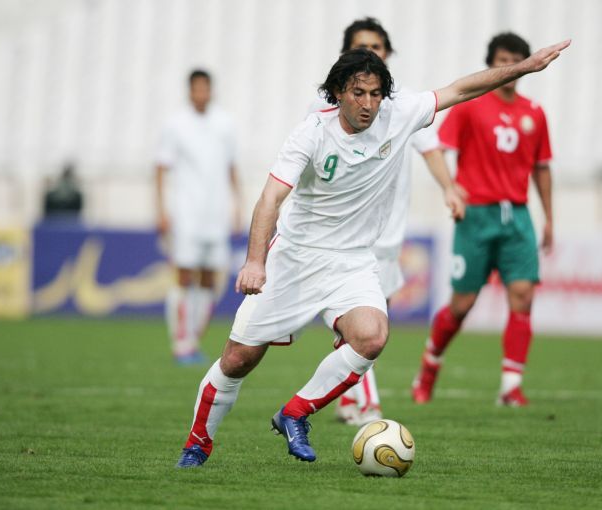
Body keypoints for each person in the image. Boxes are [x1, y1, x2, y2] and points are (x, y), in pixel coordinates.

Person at [176, 38, 570, 468]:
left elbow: (460, 89)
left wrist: (524, 68)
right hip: (295, 258)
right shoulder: (312, 132)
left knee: (372, 336)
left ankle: (295, 413)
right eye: (358, 93)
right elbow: (270, 198)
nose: (368, 104)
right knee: (238, 359)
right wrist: (255, 261)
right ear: (338, 92)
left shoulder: (398, 115)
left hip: (352, 261)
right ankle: (197, 445)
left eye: (376, 94)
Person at [310, 18, 466, 426]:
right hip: (345, 236)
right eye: (361, 47)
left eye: (377, 47)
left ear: (388, 54)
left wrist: (449, 188)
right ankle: (367, 406)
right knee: (361, 326)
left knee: (371, 326)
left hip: (389, 235)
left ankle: (348, 398)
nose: (370, 53)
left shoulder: (401, 105)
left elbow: (430, 149)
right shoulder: (325, 111)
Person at [412, 33, 555, 407]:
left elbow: (542, 168)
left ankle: (510, 386)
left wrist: (549, 219)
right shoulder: (470, 106)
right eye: (502, 59)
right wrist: (452, 188)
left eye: (515, 60)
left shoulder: (535, 112)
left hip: (517, 216)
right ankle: (429, 366)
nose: (508, 66)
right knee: (462, 304)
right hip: (476, 215)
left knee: (523, 295)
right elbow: (440, 148)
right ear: (491, 63)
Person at [155, 69, 241, 364]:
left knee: (208, 279)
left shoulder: (225, 123)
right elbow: (161, 167)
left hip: (216, 214)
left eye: (205, 88)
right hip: (187, 213)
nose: (201, 93)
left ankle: (192, 340)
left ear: (211, 90)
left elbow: (231, 166)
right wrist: (161, 210)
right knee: (184, 275)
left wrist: (237, 204)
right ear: (190, 91)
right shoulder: (176, 124)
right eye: (197, 89)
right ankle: (181, 342)